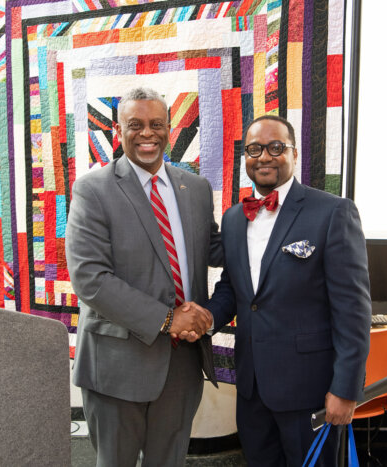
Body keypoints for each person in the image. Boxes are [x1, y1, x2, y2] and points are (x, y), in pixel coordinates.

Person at [65, 87, 222, 467]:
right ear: (119, 131)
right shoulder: (93, 189)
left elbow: (220, 251)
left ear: (170, 128)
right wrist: (168, 319)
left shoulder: (196, 188)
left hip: (181, 364)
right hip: (116, 363)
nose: (146, 133)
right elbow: (90, 279)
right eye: (135, 125)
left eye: (156, 124)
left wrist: (273, 224)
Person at [204, 115, 372, 466]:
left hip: (310, 390)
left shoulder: (333, 212)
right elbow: (234, 290)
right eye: (254, 149)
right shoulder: (234, 218)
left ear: (294, 154)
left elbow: (353, 311)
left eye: (276, 147)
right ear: (245, 158)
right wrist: (202, 320)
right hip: (251, 389)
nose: (264, 156)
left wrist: (345, 389)